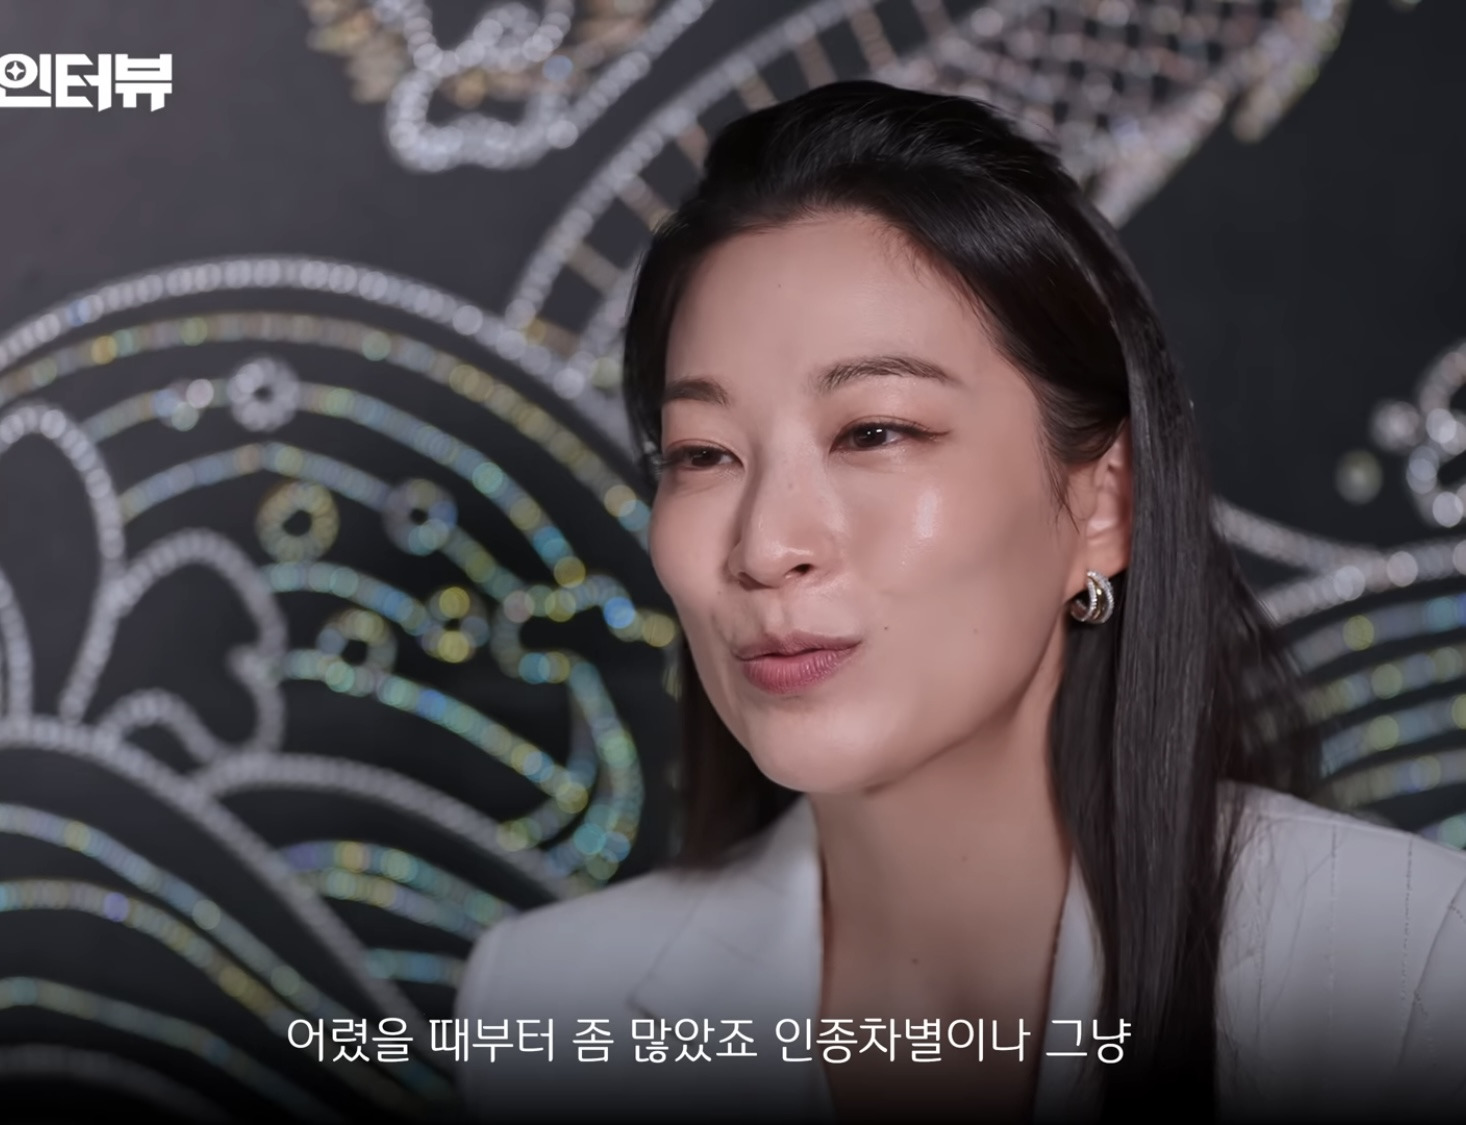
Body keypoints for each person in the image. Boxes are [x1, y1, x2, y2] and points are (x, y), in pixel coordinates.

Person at [456, 81, 1466, 1121]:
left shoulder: (1408, 970)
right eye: (703, 454)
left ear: (1102, 505)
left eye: (874, 433)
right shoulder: (546, 1005)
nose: (765, 547)